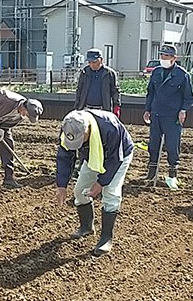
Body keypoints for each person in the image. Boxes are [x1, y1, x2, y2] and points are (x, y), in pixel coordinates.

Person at [55, 109, 134, 256]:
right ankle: (86, 227)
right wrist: (61, 185)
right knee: (79, 191)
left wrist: (101, 183)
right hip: (92, 155)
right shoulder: (68, 126)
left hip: (118, 156)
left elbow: (115, 159)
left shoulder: (109, 126)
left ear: (88, 130)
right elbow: (64, 156)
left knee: (110, 192)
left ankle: (106, 239)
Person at [143, 44, 193, 188]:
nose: (163, 58)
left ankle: (173, 174)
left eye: (166, 56)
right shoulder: (156, 72)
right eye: (162, 56)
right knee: (153, 144)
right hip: (156, 114)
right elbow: (150, 93)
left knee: (172, 145)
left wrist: (183, 110)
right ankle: (151, 172)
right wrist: (148, 109)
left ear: (174, 58)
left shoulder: (182, 74)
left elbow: (189, 97)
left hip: (172, 117)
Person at [74, 48, 121, 116]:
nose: (92, 65)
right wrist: (77, 107)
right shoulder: (84, 72)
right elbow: (79, 90)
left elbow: (115, 92)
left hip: (103, 110)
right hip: (86, 109)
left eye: (94, 62)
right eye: (89, 62)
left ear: (101, 60)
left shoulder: (109, 73)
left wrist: (116, 107)